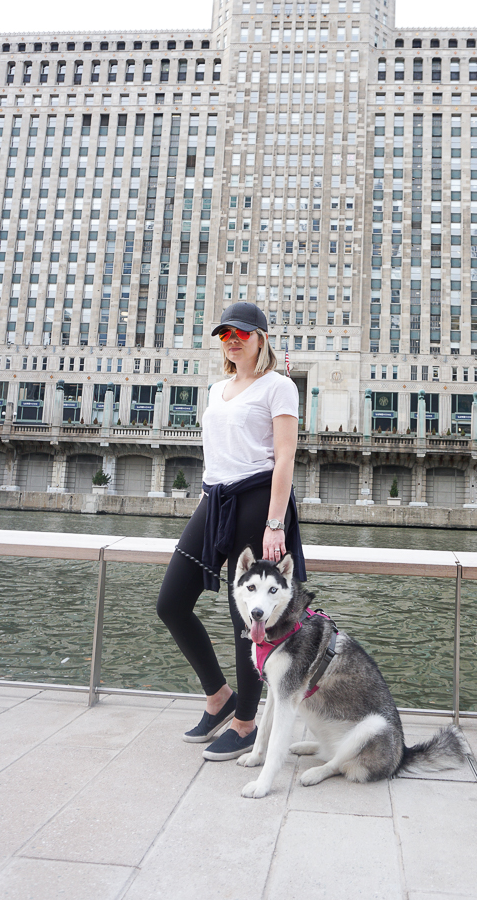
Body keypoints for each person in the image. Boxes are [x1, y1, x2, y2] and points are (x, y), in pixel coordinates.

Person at [157, 302, 306, 761]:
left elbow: (284, 458)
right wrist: (203, 503)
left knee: (247, 618)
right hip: (215, 500)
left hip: (259, 500)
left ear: (261, 338)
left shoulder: (278, 387)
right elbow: (216, 455)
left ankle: (244, 722)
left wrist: (275, 522)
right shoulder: (217, 390)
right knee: (171, 603)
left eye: (242, 332)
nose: (233, 339)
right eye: (226, 334)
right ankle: (217, 697)